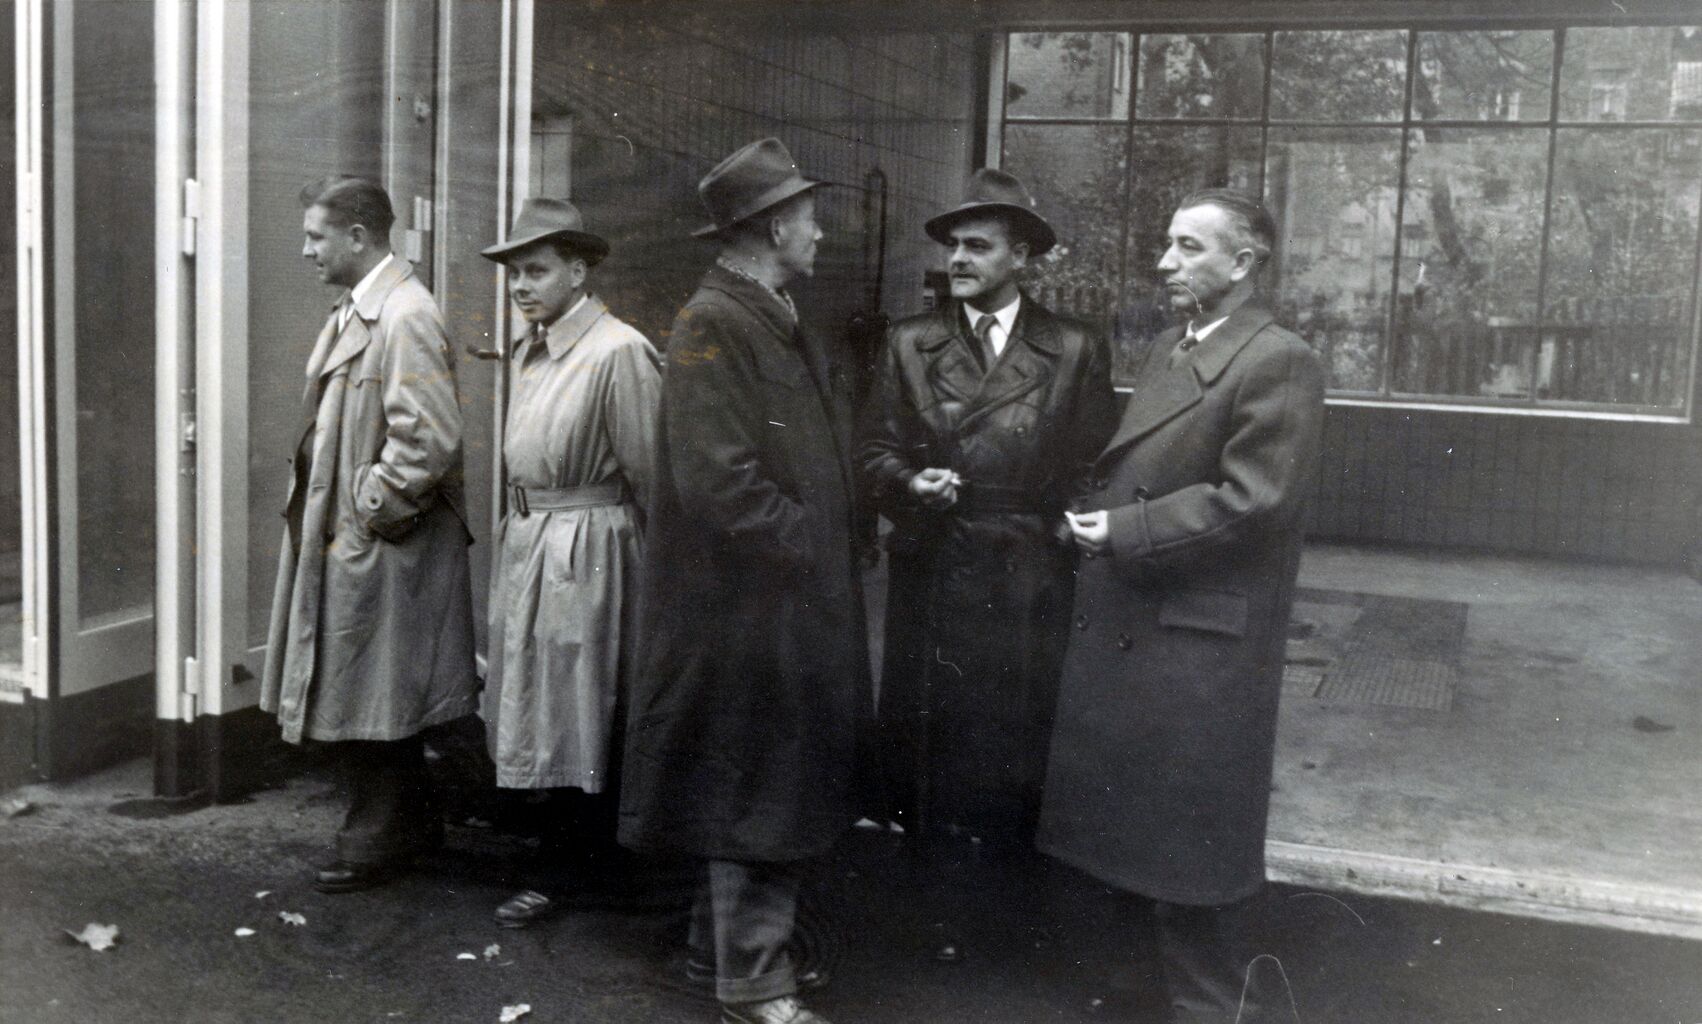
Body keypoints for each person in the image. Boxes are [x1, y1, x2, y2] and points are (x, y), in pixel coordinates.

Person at [1040, 189, 1326, 1022]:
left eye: (1189, 247)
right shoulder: (1178, 345)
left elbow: (1255, 500)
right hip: (1153, 621)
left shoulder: (1278, 359)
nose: (1165, 262)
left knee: (1192, 850)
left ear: (1244, 262)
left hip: (1199, 639)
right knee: (1144, 837)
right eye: (1169, 244)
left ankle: (1212, 1010)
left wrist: (1125, 529)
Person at [618, 137, 870, 1024]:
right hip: (751, 606)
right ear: (772, 228)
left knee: (747, 779)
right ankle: (757, 983)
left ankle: (713, 954)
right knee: (760, 788)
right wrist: (815, 550)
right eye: (809, 217)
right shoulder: (714, 322)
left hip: (769, 600)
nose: (820, 232)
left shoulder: (759, 312)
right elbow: (720, 482)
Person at [858, 168, 1116, 960]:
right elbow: (870, 452)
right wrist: (909, 483)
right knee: (930, 746)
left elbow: (1093, 464)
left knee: (1015, 741)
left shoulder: (1074, 346)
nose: (959, 260)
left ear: (1021, 257)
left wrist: (1070, 532)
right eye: (954, 247)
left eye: (978, 246)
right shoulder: (909, 341)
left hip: (1028, 573)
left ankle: (1009, 916)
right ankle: (931, 912)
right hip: (935, 565)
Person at [261, 175, 477, 894]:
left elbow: (429, 440)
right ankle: (406, 826)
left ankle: (378, 838)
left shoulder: (404, 315)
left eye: (316, 236)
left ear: (358, 237)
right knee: (365, 686)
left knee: (374, 692)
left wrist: (369, 508)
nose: (306, 250)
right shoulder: (365, 308)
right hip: (356, 537)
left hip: (380, 541)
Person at [477, 199, 660, 928]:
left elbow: (652, 474)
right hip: (534, 539)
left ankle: (581, 867)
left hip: (591, 546)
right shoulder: (534, 347)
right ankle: (559, 856)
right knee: (539, 699)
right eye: (515, 273)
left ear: (579, 272)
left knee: (583, 700)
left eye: (537, 270)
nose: (521, 286)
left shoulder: (617, 352)